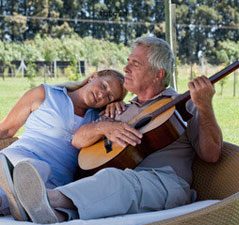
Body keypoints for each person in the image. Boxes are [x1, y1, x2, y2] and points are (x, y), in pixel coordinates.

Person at [10, 36, 223, 224]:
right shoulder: (124, 109)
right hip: (119, 181)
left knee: (114, 179)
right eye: (128, 61)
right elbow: (77, 140)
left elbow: (211, 154)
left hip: (163, 182)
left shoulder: (183, 105)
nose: (126, 68)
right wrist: (104, 126)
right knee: (111, 179)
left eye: (135, 64)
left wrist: (205, 106)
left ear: (158, 74)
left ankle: (44, 199)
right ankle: (52, 214)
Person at [0, 69, 127, 220]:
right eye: (104, 86)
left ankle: (25, 201)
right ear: (93, 76)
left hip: (58, 180)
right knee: (34, 168)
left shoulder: (100, 120)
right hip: (20, 157)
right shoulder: (46, 94)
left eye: (109, 97)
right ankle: (21, 198)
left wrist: (120, 107)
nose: (101, 95)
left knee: (45, 189)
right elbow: (6, 130)